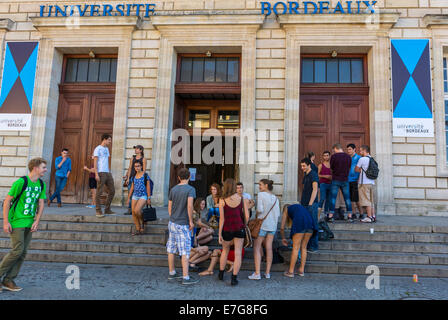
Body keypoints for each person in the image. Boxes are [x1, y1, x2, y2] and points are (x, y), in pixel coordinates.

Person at [0, 158, 47, 292]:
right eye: (43, 167)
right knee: (17, 251)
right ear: (35, 168)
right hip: (16, 221)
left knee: (23, 252)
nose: (45, 170)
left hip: (30, 222)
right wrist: (6, 222)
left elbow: (41, 203)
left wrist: (37, 221)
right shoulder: (21, 182)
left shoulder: (41, 184)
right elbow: (7, 201)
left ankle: (8, 280)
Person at [167, 168, 198, 285]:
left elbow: (169, 207)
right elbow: (190, 206)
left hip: (172, 222)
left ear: (179, 177)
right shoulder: (190, 189)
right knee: (185, 250)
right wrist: (191, 221)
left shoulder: (173, 189)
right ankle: (186, 277)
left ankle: (172, 272)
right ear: (189, 176)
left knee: (171, 248)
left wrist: (173, 217)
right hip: (183, 223)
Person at [218, 178, 249, 286]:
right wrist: (244, 225)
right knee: (238, 253)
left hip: (227, 229)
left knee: (225, 251)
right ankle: (234, 278)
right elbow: (247, 216)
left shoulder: (222, 200)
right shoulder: (242, 199)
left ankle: (221, 274)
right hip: (239, 228)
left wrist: (219, 234)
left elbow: (221, 219)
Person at [248, 179, 280, 280]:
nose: (259, 187)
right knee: (269, 247)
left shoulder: (261, 195)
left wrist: (257, 214)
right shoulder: (275, 198)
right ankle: (267, 273)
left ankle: (257, 273)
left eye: (260, 185)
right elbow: (278, 214)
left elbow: (260, 210)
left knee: (257, 247)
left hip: (262, 225)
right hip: (272, 226)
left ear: (266, 185)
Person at [280, 204, 318, 278]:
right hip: (310, 224)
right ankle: (301, 270)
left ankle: (290, 272)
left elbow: (281, 228)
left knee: (296, 248)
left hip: (300, 224)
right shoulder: (298, 207)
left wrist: (283, 238)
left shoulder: (286, 209)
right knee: (304, 248)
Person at [327, 143, 353, 223]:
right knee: (347, 199)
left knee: (333, 198)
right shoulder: (348, 157)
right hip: (345, 179)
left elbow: (331, 167)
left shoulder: (334, 157)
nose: (333, 152)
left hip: (336, 179)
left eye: (333, 150)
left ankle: (331, 217)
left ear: (335, 148)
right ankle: (350, 217)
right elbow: (349, 167)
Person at [126, 160, 151, 235]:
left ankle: (143, 221)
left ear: (141, 166)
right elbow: (132, 188)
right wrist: (128, 198)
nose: (137, 168)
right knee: (133, 212)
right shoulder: (134, 176)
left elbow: (148, 187)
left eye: (138, 166)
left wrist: (149, 198)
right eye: (135, 166)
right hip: (135, 195)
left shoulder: (145, 175)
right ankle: (138, 229)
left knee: (137, 210)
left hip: (143, 195)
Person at [93, 134, 115, 218]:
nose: (110, 141)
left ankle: (107, 209)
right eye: (109, 140)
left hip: (107, 172)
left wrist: (109, 171)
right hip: (100, 172)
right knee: (99, 192)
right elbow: (95, 162)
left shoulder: (106, 149)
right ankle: (98, 211)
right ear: (104, 139)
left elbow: (106, 161)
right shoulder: (97, 149)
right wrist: (96, 174)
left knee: (112, 190)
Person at [300, 158, 319, 253]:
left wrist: (310, 204)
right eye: (301, 166)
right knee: (306, 225)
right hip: (304, 204)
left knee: (313, 225)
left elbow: (315, 190)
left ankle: (314, 246)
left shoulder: (314, 175)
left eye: (303, 166)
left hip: (311, 205)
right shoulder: (305, 175)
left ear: (309, 165)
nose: (302, 168)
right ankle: (306, 245)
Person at [123, 145, 147, 215]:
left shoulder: (143, 159)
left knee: (139, 193)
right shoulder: (132, 158)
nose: (135, 150)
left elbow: (144, 170)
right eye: (135, 149)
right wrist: (127, 178)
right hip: (132, 178)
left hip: (139, 179)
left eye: (137, 149)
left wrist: (143, 179)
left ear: (141, 150)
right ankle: (130, 209)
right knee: (130, 194)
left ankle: (139, 208)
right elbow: (130, 168)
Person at [355, 145, 376, 223]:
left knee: (366, 200)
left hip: (364, 183)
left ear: (364, 151)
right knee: (371, 200)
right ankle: (373, 216)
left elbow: (356, 169)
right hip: (371, 182)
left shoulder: (362, 159)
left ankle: (369, 217)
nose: (360, 152)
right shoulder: (372, 159)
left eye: (360, 151)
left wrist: (361, 170)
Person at [347, 144, 362, 219]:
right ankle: (353, 213)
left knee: (356, 199)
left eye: (350, 149)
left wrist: (359, 178)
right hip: (348, 180)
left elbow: (361, 169)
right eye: (348, 149)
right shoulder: (348, 158)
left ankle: (361, 213)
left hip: (355, 180)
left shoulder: (359, 158)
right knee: (350, 198)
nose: (348, 151)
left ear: (354, 149)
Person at [318, 151, 332, 220]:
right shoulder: (321, 165)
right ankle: (317, 214)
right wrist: (326, 176)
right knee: (322, 198)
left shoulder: (332, 165)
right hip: (323, 184)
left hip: (330, 184)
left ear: (329, 156)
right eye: (324, 156)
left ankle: (326, 214)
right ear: (323, 157)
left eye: (327, 155)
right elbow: (318, 175)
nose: (326, 157)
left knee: (328, 200)